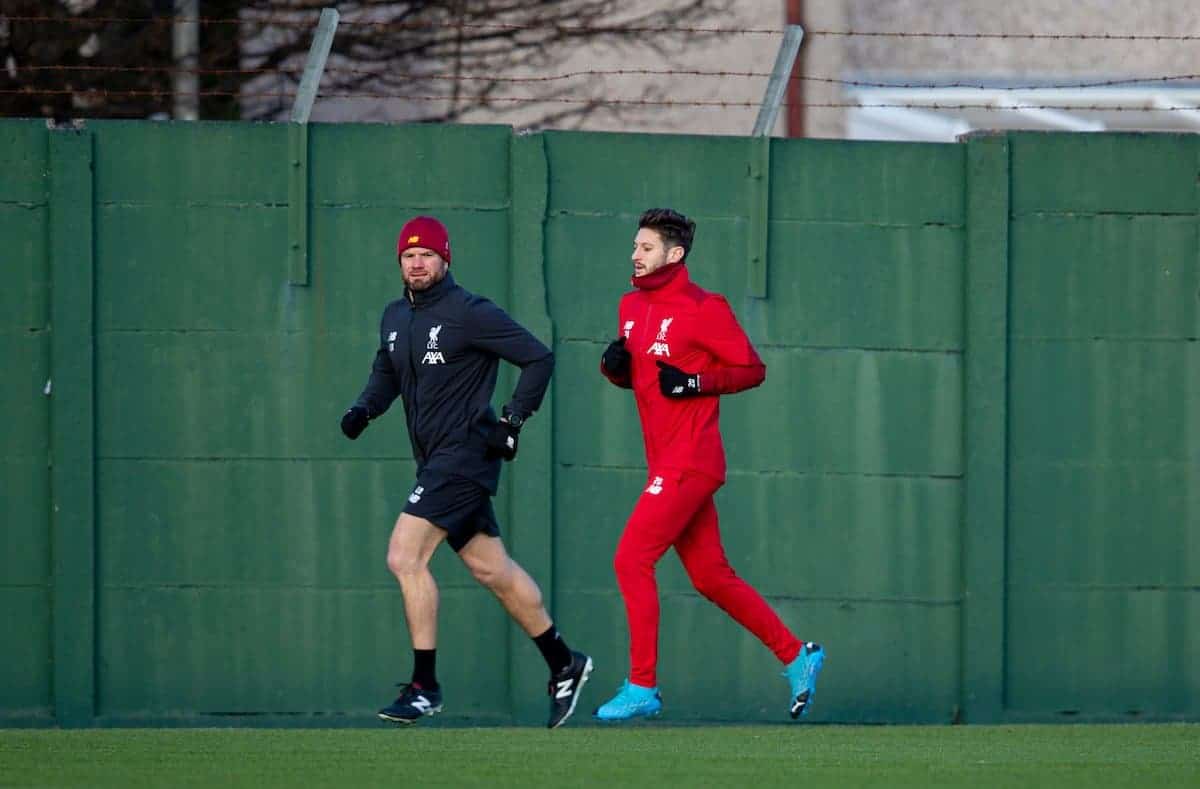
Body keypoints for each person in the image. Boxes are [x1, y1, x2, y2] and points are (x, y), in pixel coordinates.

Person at [341, 215, 592, 728]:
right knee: (491, 569)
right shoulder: (394, 317)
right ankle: (564, 662)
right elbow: (385, 373)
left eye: (427, 255)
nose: (417, 262)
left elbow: (538, 358)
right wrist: (364, 409)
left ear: (444, 258)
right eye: (409, 255)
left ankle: (424, 686)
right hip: (436, 461)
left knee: (403, 555)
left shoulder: (469, 312)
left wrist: (512, 420)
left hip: (463, 457)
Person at [594, 208, 824, 722]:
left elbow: (750, 369)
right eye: (635, 246)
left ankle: (642, 686)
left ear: (674, 255)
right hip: (666, 461)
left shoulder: (704, 307)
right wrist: (615, 372)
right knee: (710, 577)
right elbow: (646, 379)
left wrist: (697, 383)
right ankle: (798, 655)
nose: (636, 255)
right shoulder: (629, 306)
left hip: (690, 461)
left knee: (631, 559)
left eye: (647, 248)